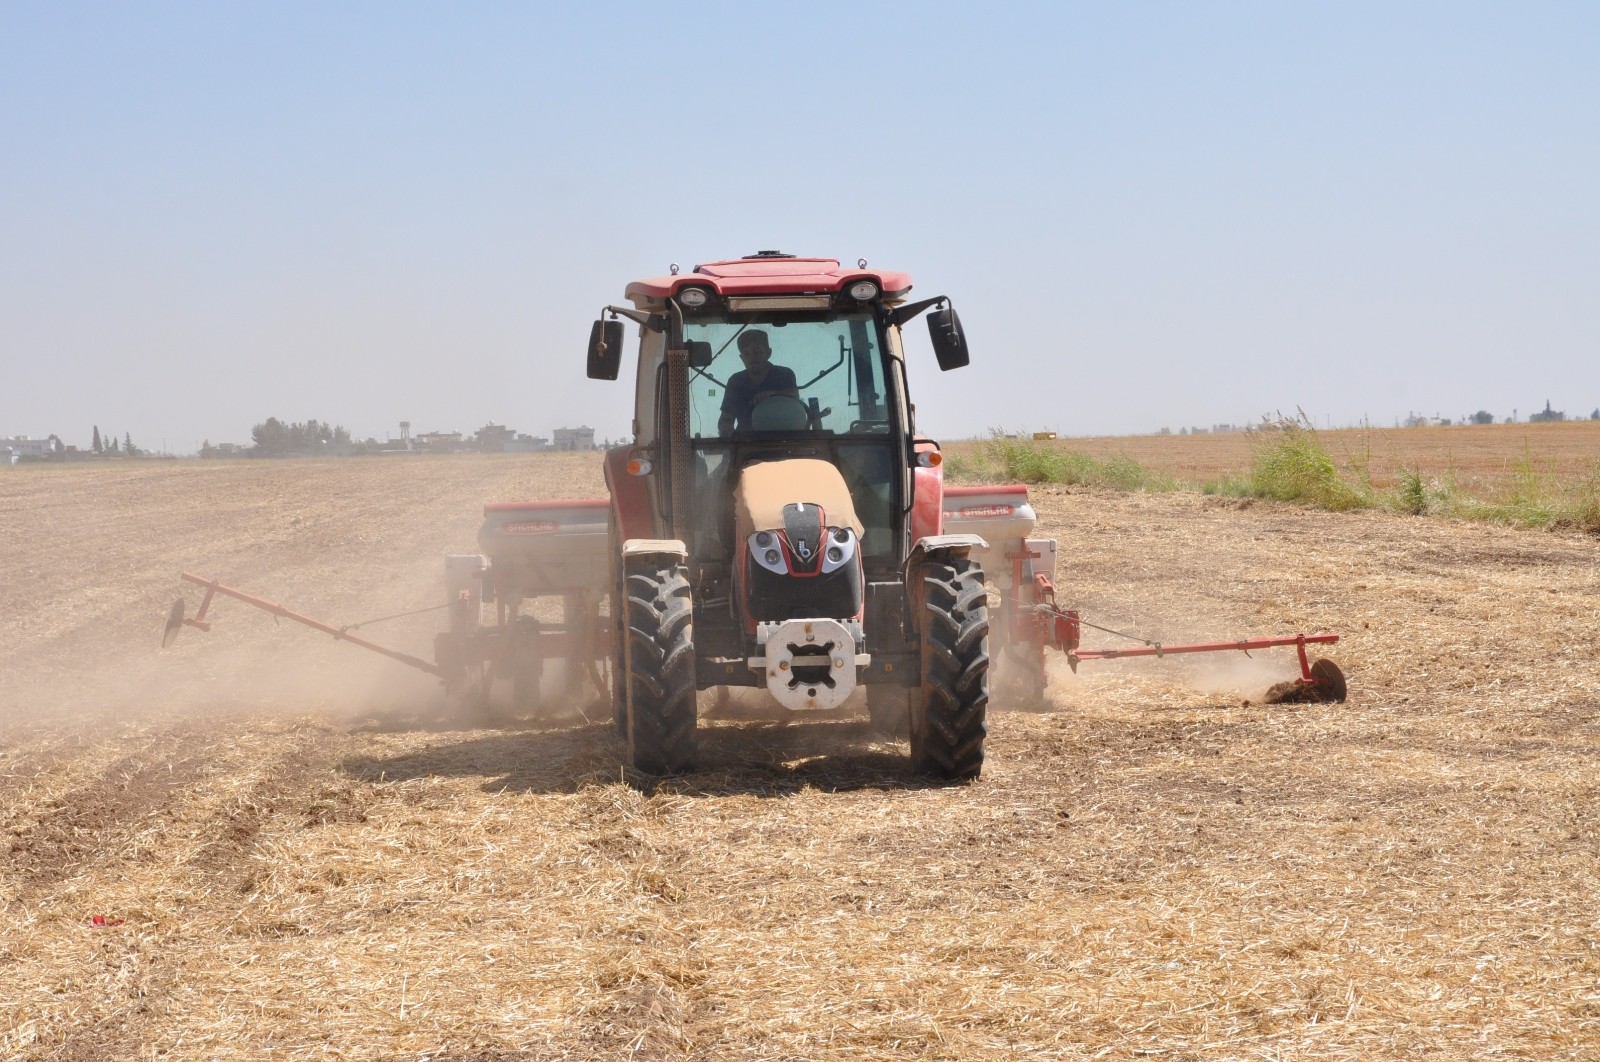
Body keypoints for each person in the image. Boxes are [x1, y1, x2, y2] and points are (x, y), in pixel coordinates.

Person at [717, 330, 800, 435]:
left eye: (758, 352)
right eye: (746, 354)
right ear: (741, 358)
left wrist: (773, 395)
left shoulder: (784, 374)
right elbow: (726, 418)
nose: (752, 358)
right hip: (746, 444)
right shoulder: (735, 381)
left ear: (768, 353)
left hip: (784, 440)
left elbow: (794, 398)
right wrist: (725, 428)